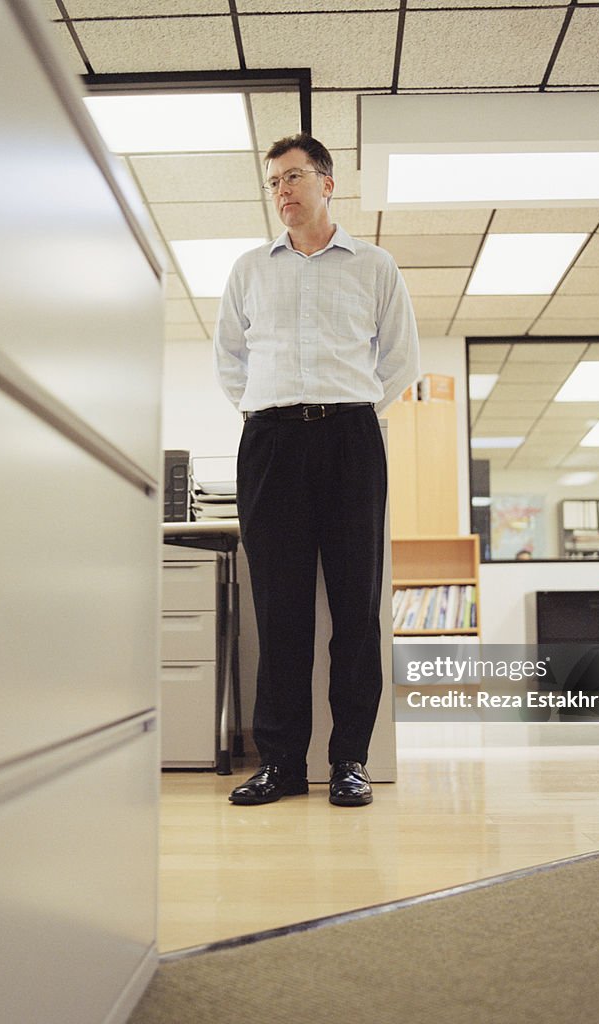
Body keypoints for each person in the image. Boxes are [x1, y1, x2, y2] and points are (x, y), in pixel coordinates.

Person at [214, 133, 420, 807]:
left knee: (356, 609)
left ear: (327, 184)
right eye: (273, 182)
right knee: (280, 611)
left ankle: (349, 762)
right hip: (271, 440)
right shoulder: (249, 270)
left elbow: (398, 360)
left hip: (351, 438)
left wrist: (345, 412)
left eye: (294, 177)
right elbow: (230, 361)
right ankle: (281, 764)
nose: (283, 191)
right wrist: (267, 414)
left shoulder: (374, 266)